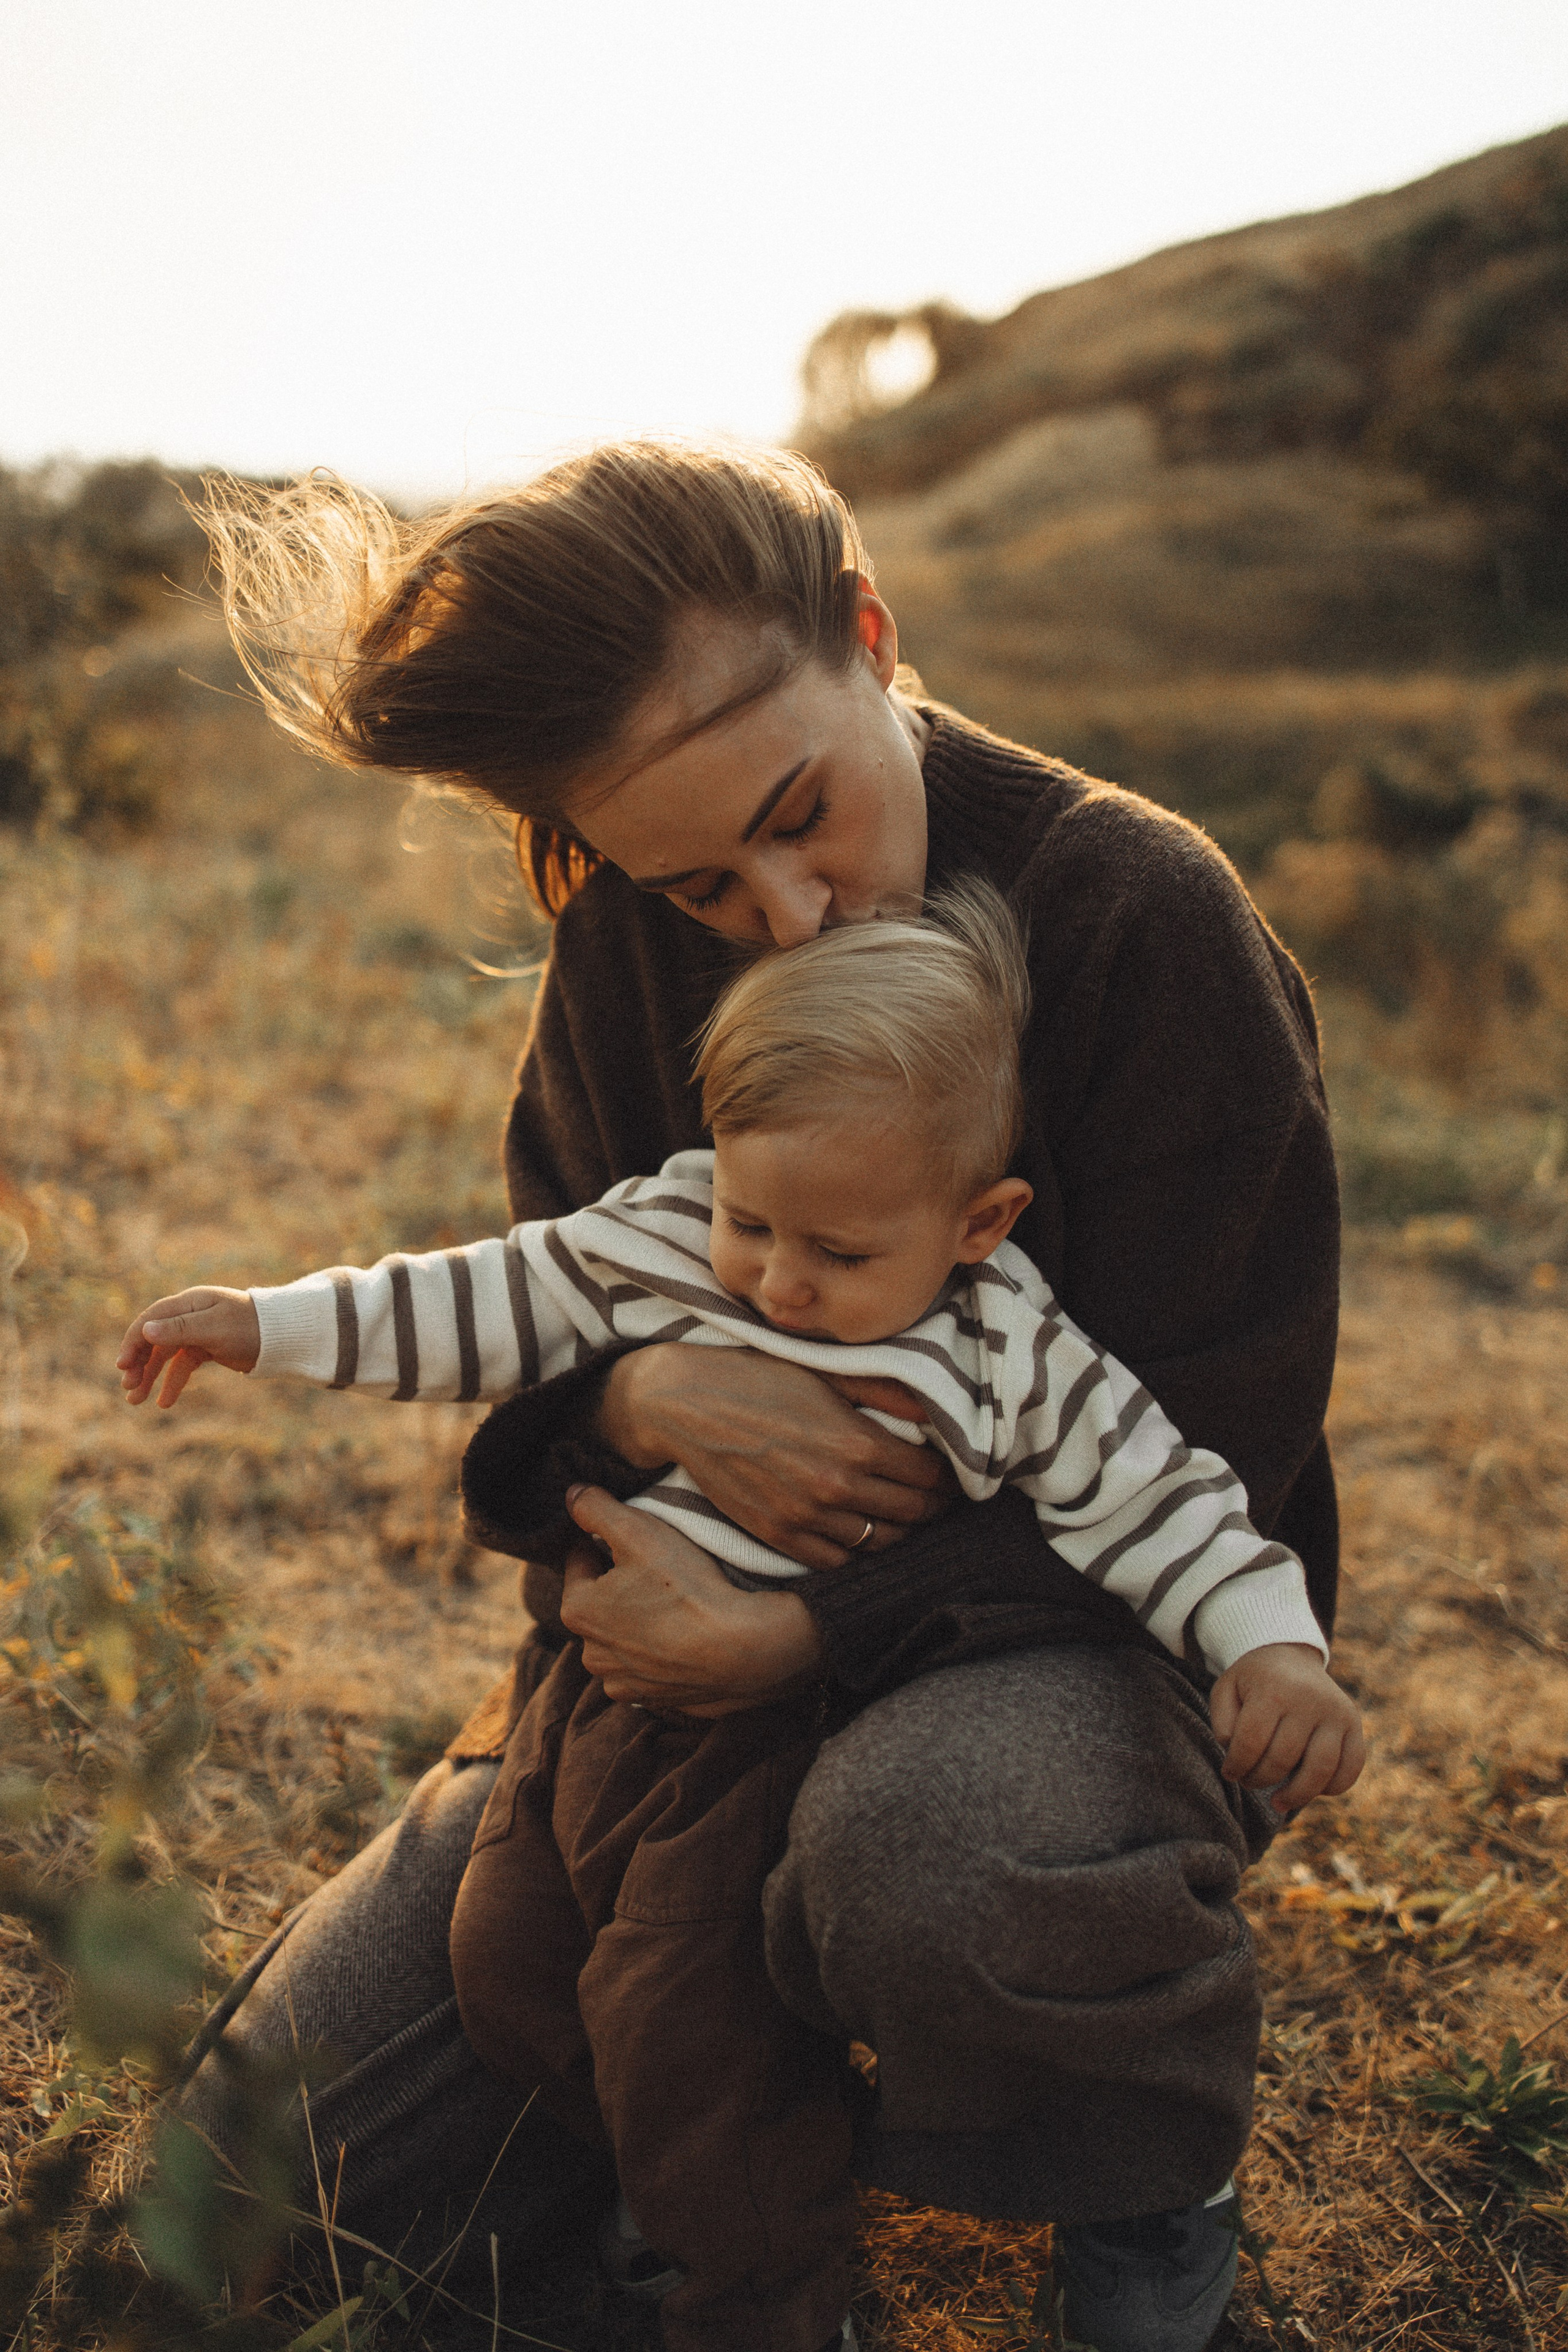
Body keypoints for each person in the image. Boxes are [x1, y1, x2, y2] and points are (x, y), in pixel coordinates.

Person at [165, 439, 1344, 2352]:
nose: (789, 915)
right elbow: (539, 1310)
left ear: (869, 636)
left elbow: (1222, 1445)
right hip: (664, 1688)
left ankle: (1137, 2163)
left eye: (804, 818)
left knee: (926, 1858)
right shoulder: (627, 935)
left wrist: (812, 1635)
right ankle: (726, 2113)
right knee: (260, 2205)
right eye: (702, 881)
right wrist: (641, 1407)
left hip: (1074, 1656)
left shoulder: (1140, 915)